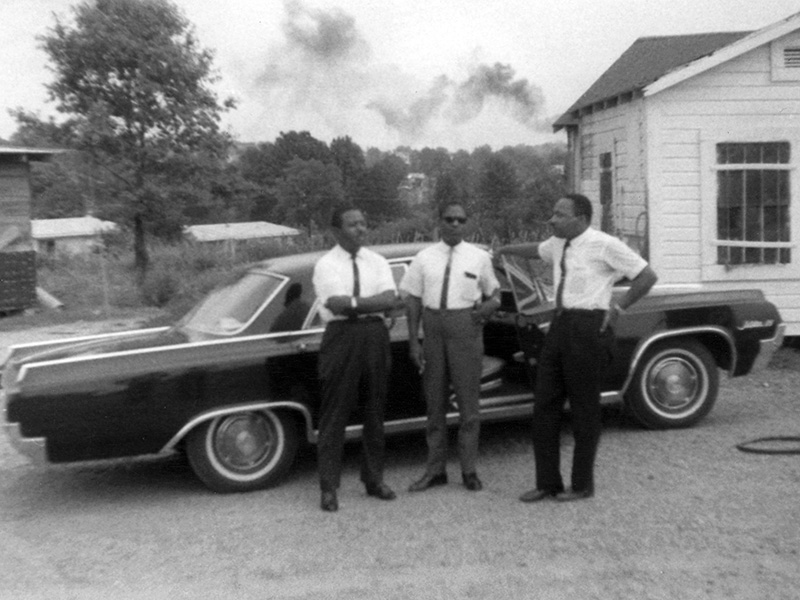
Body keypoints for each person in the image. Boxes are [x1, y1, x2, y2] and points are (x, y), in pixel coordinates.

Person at [497, 193, 658, 502]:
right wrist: (505, 250)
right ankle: (547, 483)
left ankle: (582, 485)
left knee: (585, 409)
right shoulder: (558, 243)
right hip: (559, 326)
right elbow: (536, 251)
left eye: (559, 214)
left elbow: (646, 275)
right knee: (544, 405)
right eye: (553, 213)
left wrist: (619, 308)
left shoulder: (605, 244)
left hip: (588, 328)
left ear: (581, 219)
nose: (552, 219)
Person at [400, 201, 501, 493]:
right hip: (432, 331)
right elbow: (413, 299)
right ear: (439, 222)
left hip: (465, 331)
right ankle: (435, 470)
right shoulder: (423, 257)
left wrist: (490, 306)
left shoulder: (479, 257)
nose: (455, 224)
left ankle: (469, 470)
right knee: (435, 405)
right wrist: (413, 341)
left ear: (467, 223)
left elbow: (493, 291)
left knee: (469, 406)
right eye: (449, 219)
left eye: (460, 219)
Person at [312, 205, 403, 512]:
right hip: (342, 339)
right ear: (337, 231)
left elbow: (391, 299)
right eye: (353, 225)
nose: (361, 229)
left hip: (375, 337)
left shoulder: (377, 261)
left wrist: (356, 304)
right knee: (335, 413)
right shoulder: (326, 265)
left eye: (364, 223)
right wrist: (370, 303)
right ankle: (328, 487)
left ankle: (373, 479)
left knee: (375, 411)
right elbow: (336, 305)